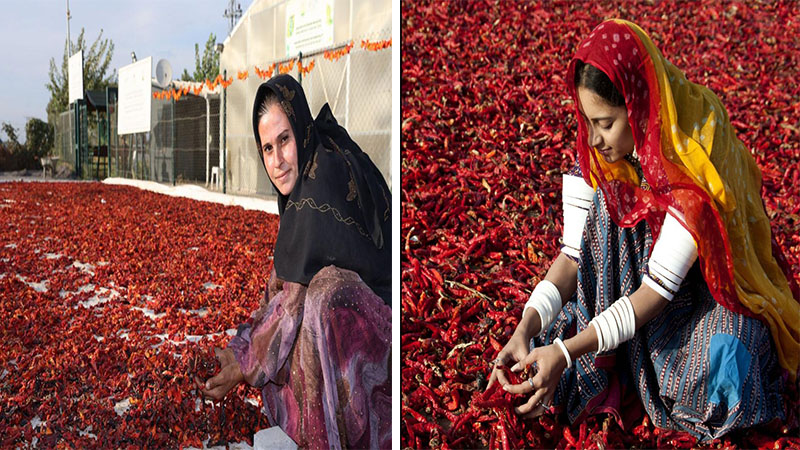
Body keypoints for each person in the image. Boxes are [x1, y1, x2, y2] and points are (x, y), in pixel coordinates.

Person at [486, 19, 799, 442]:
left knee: (727, 368)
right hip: (622, 292)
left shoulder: (694, 152)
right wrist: (525, 326)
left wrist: (565, 350)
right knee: (601, 202)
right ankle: (612, 362)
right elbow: (571, 257)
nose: (594, 138)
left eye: (606, 122)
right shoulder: (599, 155)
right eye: (588, 120)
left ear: (637, 104)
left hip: (697, 297)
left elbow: (658, 289)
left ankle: (617, 361)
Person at [193, 74, 392, 449]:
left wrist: (243, 364)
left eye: (284, 140)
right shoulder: (304, 185)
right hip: (361, 332)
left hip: (386, 343)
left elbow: (296, 294)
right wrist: (239, 351)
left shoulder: (323, 179)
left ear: (300, 129)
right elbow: (282, 286)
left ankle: (359, 432)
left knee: (325, 295)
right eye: (267, 148)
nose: (277, 160)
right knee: (300, 314)